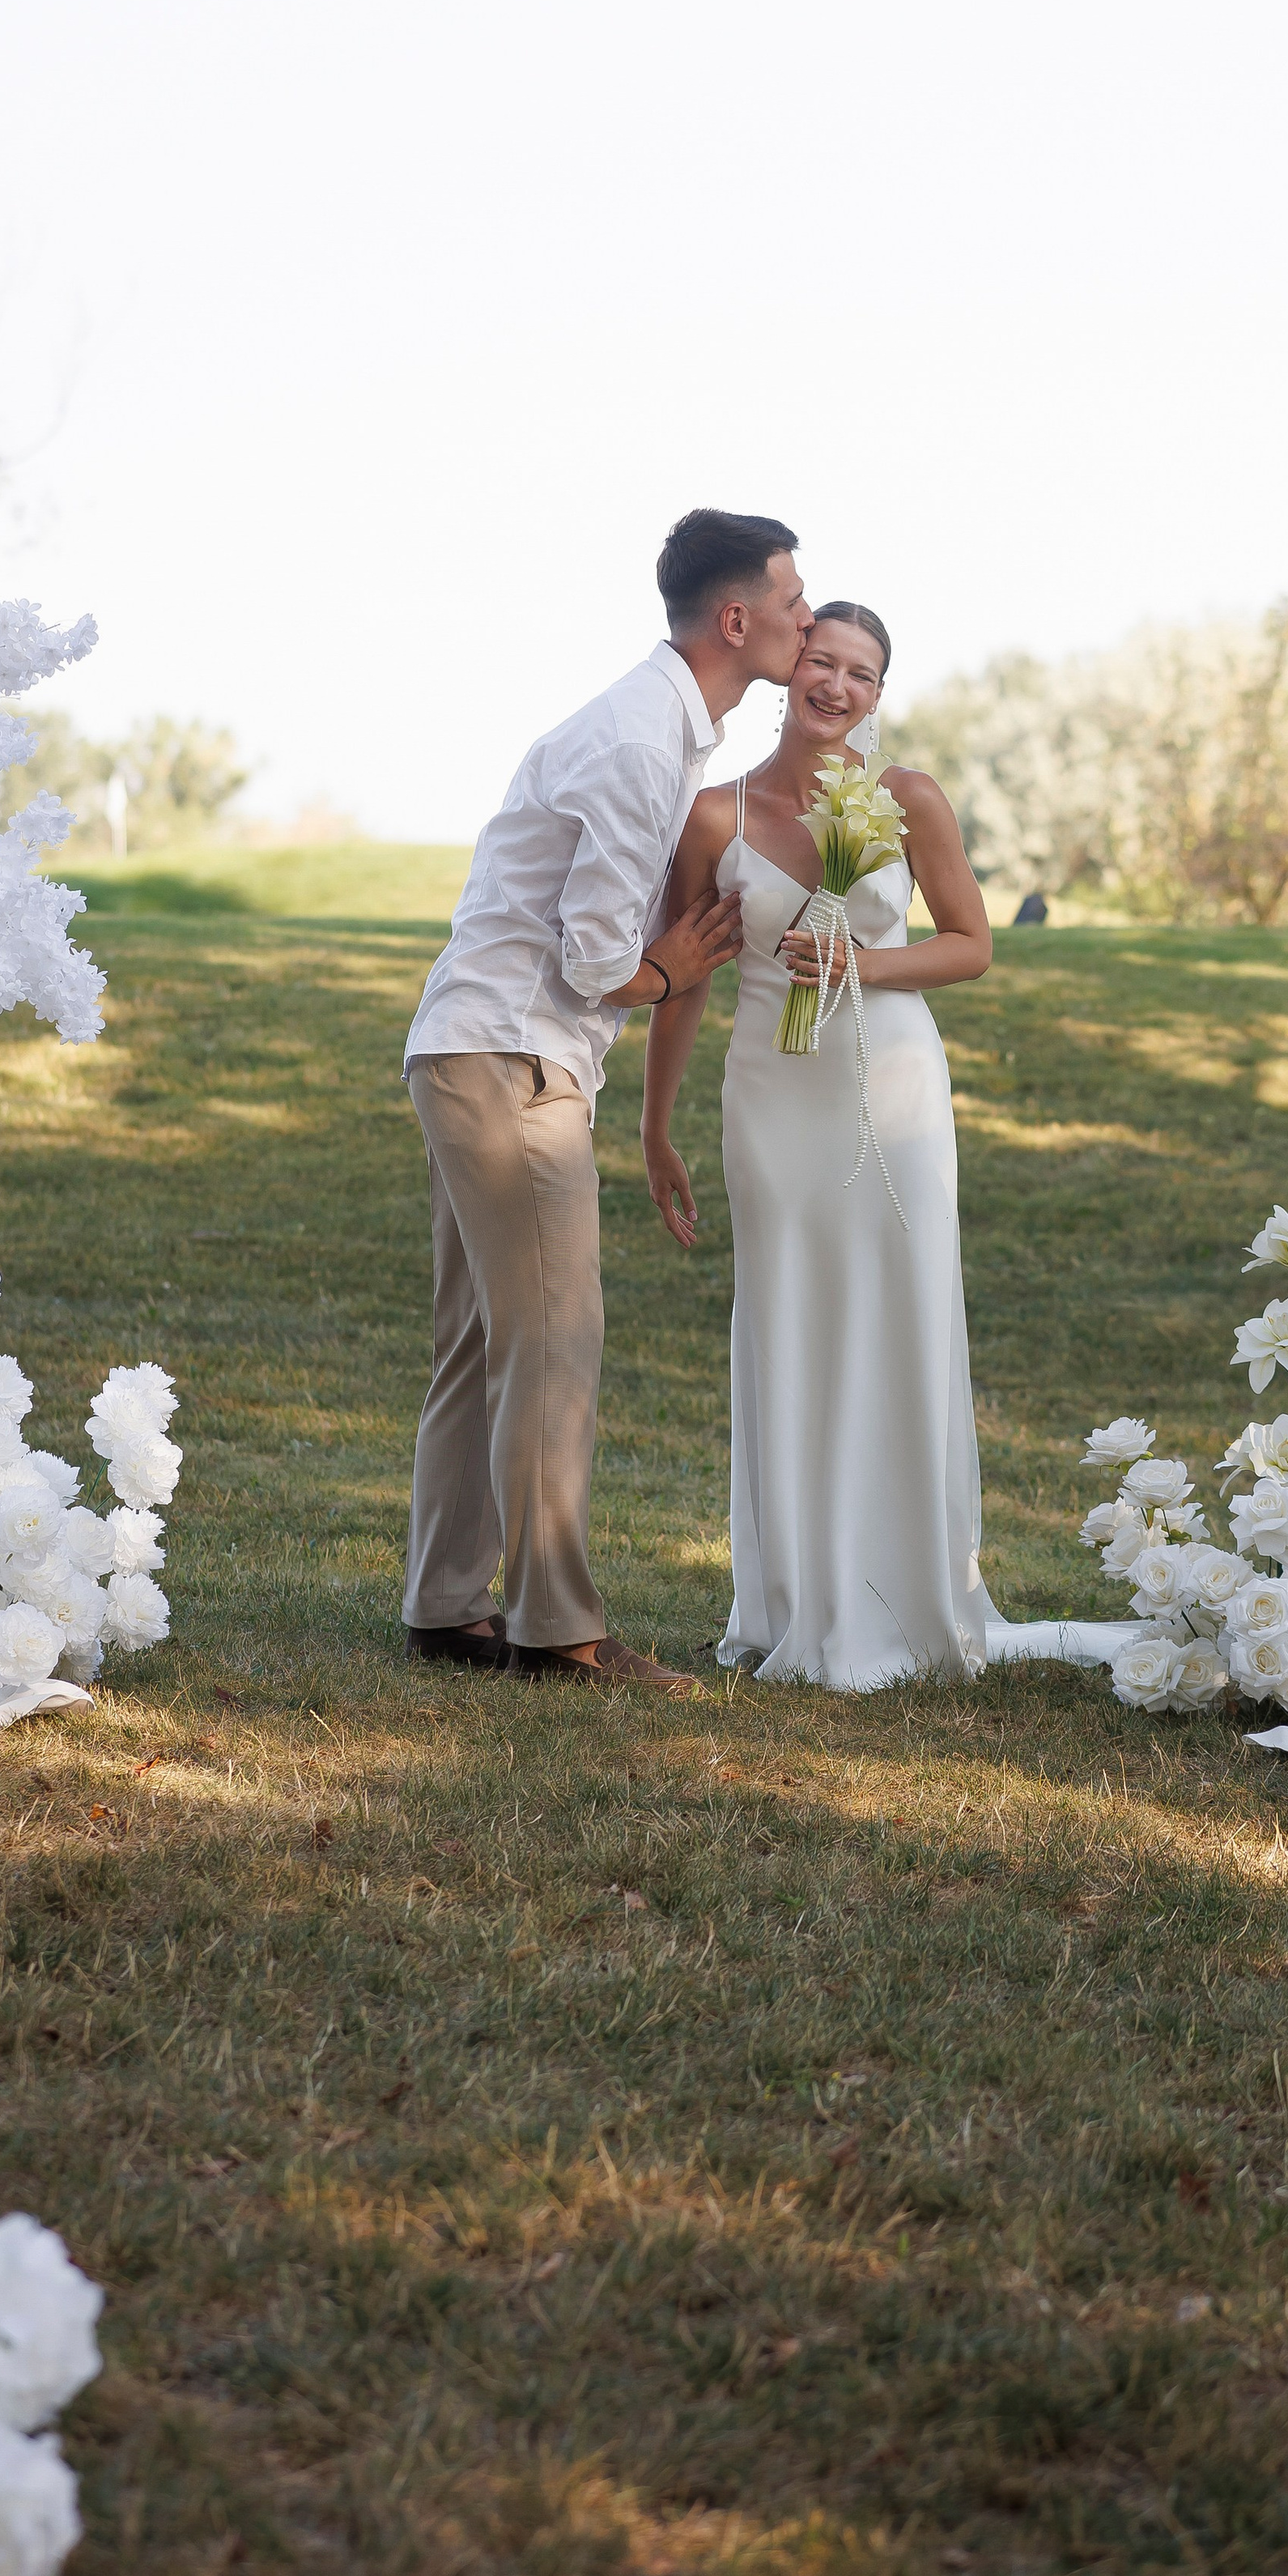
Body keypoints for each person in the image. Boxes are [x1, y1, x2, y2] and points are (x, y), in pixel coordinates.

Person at [640, 603, 1136, 1688]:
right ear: (788, 666)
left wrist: (863, 966)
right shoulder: (714, 815)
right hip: (771, 1098)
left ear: (879, 691)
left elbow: (972, 946)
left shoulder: (906, 798)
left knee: (899, 1313)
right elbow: (682, 982)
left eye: (863, 673)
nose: (838, 686)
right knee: (789, 1320)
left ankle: (910, 1592)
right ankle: (795, 1597)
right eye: (822, 660)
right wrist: (655, 1126)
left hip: (896, 1090)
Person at [398, 509, 811, 1692]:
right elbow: (590, 960)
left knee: (484, 1342)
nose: (803, 616)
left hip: (473, 1047)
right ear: (737, 618)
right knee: (555, 1342)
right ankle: (556, 1631)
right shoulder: (640, 742)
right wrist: (679, 966)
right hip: (513, 1065)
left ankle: (445, 1606)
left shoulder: (651, 724)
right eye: (791, 600)